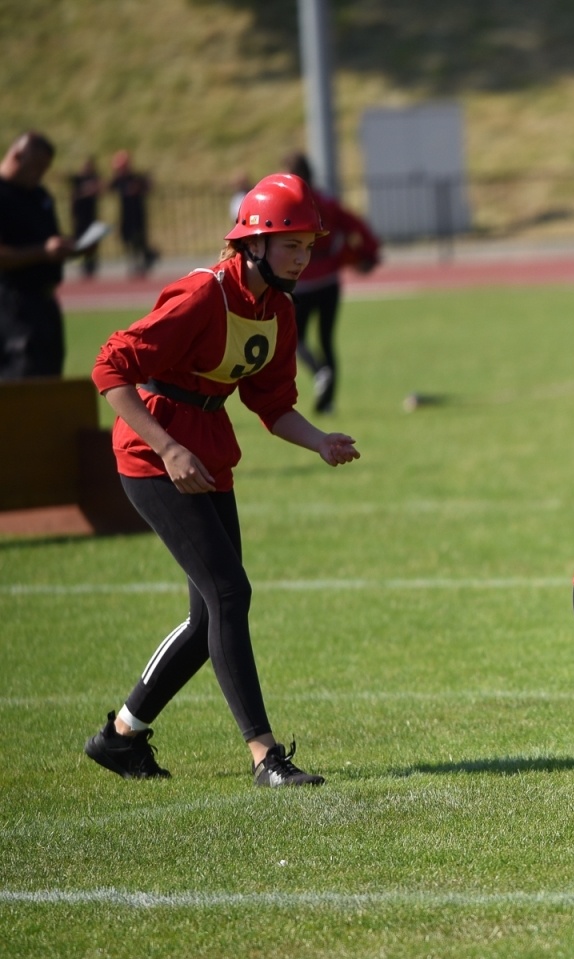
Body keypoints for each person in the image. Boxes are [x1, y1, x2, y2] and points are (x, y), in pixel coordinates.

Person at [83, 173, 360, 787]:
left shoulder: (277, 309)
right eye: (292, 244)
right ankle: (265, 756)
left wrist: (320, 441)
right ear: (253, 243)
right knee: (229, 593)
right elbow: (110, 367)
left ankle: (120, 737)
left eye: (308, 246)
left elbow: (271, 404)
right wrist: (168, 446)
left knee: (212, 611)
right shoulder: (203, 295)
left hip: (207, 451)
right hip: (154, 453)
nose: (303, 256)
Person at [282, 152, 381, 413]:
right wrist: (368, 254)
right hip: (330, 281)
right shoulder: (326, 201)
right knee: (327, 340)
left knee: (294, 339)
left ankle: (318, 374)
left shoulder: (289, 207)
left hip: (302, 280)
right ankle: (328, 402)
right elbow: (357, 225)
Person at [0, 132, 79, 379]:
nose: (39, 175)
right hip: (13, 302)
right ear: (17, 156)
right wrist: (43, 252)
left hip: (44, 300)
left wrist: (70, 247)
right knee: (23, 374)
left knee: (49, 374)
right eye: (36, 167)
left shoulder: (38, 194)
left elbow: (48, 236)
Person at [110, 149, 158, 278]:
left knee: (139, 240)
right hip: (125, 215)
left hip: (138, 214)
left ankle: (144, 260)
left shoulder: (136, 178)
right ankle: (136, 263)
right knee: (127, 239)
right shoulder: (119, 180)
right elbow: (107, 187)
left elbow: (149, 186)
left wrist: (144, 184)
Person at [69, 156, 101, 279]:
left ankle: (91, 265)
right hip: (80, 217)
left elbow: (101, 186)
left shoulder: (94, 178)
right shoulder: (78, 180)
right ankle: (82, 265)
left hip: (91, 216)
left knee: (92, 241)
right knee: (80, 241)